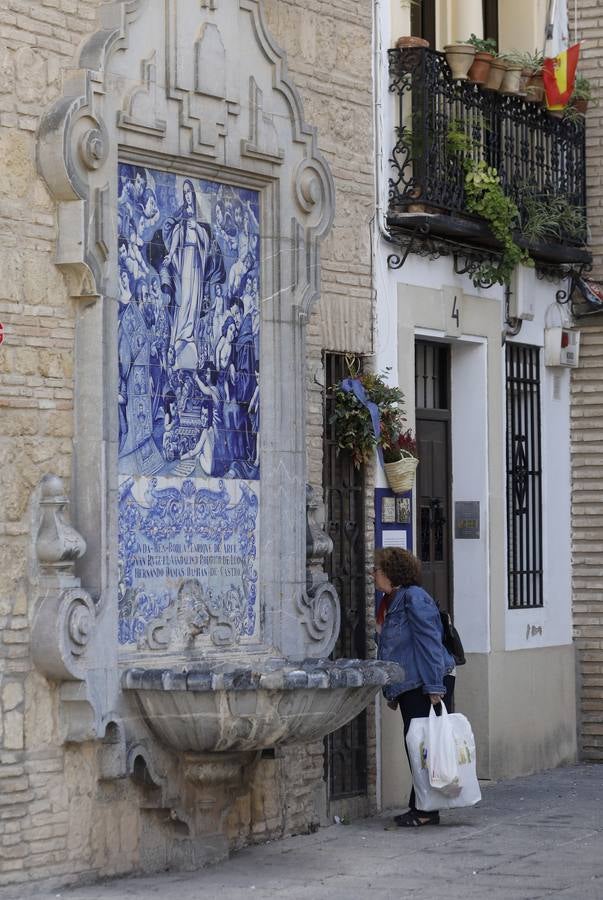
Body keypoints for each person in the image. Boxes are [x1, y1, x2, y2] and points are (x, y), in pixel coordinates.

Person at [375, 546, 456, 827]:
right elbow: (395, 648)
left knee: (424, 746)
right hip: (412, 683)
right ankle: (423, 806)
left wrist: (435, 686)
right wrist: (393, 689)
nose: (374, 574)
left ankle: (424, 810)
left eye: (378, 570)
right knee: (418, 745)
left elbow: (429, 643)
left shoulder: (413, 598)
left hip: (427, 681)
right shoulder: (392, 600)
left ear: (391, 573)